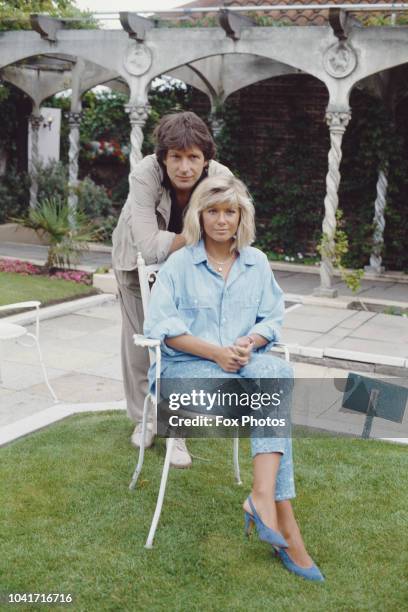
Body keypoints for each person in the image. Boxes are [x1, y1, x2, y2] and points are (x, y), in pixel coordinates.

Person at [143, 175, 324, 581]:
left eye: (230, 211)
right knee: (273, 402)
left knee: (275, 373)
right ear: (200, 215)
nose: (222, 220)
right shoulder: (179, 264)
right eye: (213, 211)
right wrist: (216, 352)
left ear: (242, 216)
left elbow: (273, 318)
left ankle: (262, 498)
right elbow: (160, 326)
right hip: (187, 372)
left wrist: (248, 341)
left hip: (244, 367)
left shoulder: (256, 263)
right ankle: (284, 522)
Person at [112, 111, 232, 468]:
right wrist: (198, 237)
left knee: (184, 346)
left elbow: (234, 229)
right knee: (142, 345)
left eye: (193, 157)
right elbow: (148, 245)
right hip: (135, 267)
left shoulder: (221, 177)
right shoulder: (144, 174)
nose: (184, 167)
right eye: (176, 157)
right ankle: (143, 420)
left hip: (189, 271)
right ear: (163, 157)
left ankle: (177, 430)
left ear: (206, 159)